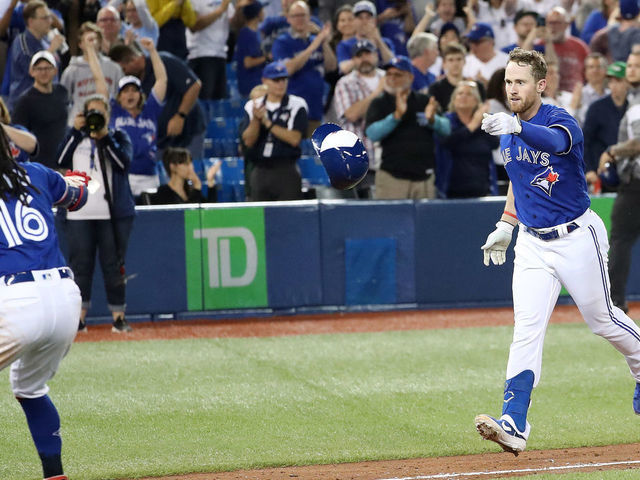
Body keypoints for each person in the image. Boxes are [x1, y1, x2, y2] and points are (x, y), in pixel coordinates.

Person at [475, 48, 640, 456]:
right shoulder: (508, 126)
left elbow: (555, 144)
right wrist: (506, 224)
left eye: (521, 82)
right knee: (526, 331)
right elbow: (520, 177)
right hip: (532, 243)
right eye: (508, 82)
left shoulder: (559, 119)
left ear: (541, 85)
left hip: (576, 237)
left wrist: (515, 126)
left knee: (602, 321)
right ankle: (513, 422)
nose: (512, 88)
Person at [0, 125, 90, 480]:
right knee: (29, 388)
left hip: (14, 300)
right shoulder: (35, 173)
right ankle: (55, 475)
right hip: (65, 299)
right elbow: (78, 197)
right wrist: (78, 182)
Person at [56, 93, 135, 334]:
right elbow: (60, 159)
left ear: (108, 116)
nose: (95, 118)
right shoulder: (75, 138)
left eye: (100, 113)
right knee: (80, 266)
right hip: (78, 213)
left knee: (113, 266)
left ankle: (118, 316)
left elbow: (123, 165)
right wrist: (76, 131)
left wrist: (104, 138)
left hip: (110, 214)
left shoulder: (118, 137)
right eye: (92, 113)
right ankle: (78, 318)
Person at [365, 55, 450, 199]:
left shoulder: (424, 101)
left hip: (424, 177)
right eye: (389, 74)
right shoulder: (379, 103)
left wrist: (433, 120)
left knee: (425, 221)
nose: (392, 78)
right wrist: (396, 116)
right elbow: (372, 133)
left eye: (398, 75)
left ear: (410, 77)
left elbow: (446, 129)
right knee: (391, 221)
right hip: (392, 177)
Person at [109, 42, 206, 161]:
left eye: (124, 68)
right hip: (159, 139)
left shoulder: (164, 62)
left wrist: (180, 116)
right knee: (163, 177)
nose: (124, 73)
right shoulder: (133, 83)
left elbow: (194, 86)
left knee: (189, 174)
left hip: (188, 132)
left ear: (134, 60)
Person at [596, 51, 640, 313]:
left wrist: (611, 151)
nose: (631, 70)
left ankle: (615, 305)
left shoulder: (636, 106)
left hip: (636, 185)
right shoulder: (633, 102)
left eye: (637, 66)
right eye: (631, 65)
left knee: (621, 240)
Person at [104, 38, 166, 199]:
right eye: (125, 91)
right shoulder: (114, 111)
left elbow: (162, 80)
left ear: (140, 95)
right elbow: (100, 83)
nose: (130, 94)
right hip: (123, 175)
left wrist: (152, 51)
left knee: (150, 220)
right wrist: (91, 52)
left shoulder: (150, 110)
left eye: (134, 90)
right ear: (119, 97)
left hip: (149, 177)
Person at [240, 61, 308, 201]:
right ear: (265, 81)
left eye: (283, 79)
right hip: (260, 169)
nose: (281, 84)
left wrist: (267, 123)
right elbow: (248, 141)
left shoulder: (296, 105)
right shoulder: (253, 106)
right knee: (260, 218)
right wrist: (256, 120)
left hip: (286, 169)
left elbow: (294, 139)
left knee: (289, 217)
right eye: (276, 80)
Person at [271, 0, 337, 134]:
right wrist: (313, 47)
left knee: (313, 152)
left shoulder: (317, 40)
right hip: (291, 110)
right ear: (288, 19)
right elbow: (287, 69)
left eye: (303, 15)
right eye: (295, 16)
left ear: (310, 17)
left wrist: (323, 41)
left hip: (315, 109)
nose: (300, 19)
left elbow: (331, 66)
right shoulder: (282, 42)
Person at [332, 39, 385, 196]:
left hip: (390, 160)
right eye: (359, 56)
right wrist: (377, 93)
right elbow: (352, 114)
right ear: (354, 60)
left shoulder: (390, 77)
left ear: (376, 55)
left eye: (368, 54)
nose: (364, 59)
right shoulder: (345, 83)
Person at [436, 81, 497, 198]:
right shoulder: (446, 121)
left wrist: (484, 122)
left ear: (477, 101)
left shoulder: (483, 124)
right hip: (450, 190)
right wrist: (472, 125)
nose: (464, 96)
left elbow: (494, 144)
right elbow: (446, 143)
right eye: (460, 93)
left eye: (469, 94)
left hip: (482, 189)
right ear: (453, 99)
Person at [13, 50, 68, 169]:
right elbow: (18, 136)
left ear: (55, 70)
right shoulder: (25, 101)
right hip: (41, 167)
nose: (43, 72)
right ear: (31, 72)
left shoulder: (62, 92)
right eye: (39, 68)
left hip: (65, 163)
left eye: (48, 68)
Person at [61, 22, 123, 126]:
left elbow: (120, 95)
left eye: (94, 39)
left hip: (107, 121)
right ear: (80, 44)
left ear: (100, 42)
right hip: (80, 122)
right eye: (88, 40)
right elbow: (64, 100)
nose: (92, 43)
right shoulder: (72, 70)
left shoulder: (114, 68)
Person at [8, 0, 65, 110]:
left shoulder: (46, 41)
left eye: (50, 17)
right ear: (31, 21)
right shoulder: (22, 42)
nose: (50, 22)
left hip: (47, 104)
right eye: (45, 18)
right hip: (25, 106)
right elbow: (32, 70)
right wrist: (51, 50)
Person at [584, 61, 628, 193]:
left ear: (627, 82)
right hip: (602, 172)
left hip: (628, 172)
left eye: (618, 81)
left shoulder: (633, 106)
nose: (614, 86)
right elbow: (585, 141)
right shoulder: (597, 108)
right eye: (611, 81)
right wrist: (589, 169)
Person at [186, 0, 235, 100]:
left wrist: (239, 7)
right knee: (204, 100)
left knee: (219, 102)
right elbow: (194, 25)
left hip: (221, 54)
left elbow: (234, 25)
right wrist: (220, 10)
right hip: (201, 54)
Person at [336, 0, 394, 75]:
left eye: (368, 17)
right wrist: (363, 56)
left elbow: (392, 63)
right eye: (360, 18)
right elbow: (344, 68)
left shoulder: (386, 42)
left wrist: (378, 41)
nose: (364, 21)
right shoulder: (345, 45)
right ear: (354, 21)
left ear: (374, 20)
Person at [429, 42, 486, 115]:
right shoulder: (435, 88)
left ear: (464, 61)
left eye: (459, 59)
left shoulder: (477, 86)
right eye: (451, 60)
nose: (455, 64)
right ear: (444, 63)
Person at [151, 147, 219, 204]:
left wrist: (211, 182)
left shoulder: (189, 190)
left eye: (191, 163)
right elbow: (187, 215)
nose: (191, 168)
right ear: (173, 167)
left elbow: (209, 212)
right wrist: (197, 188)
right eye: (186, 164)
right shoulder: (164, 193)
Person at [545, 7, 590, 93]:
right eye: (550, 23)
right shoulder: (540, 45)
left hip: (576, 94)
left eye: (557, 23)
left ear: (566, 25)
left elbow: (589, 72)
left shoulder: (580, 46)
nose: (553, 27)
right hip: (550, 95)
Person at [235, 1, 268, 98]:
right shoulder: (246, 33)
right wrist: (267, 57)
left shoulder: (256, 32)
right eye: (262, 10)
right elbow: (248, 63)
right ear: (257, 14)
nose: (264, 12)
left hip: (257, 82)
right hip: (250, 85)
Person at [462, 22, 509, 88]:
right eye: (471, 42)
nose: (473, 46)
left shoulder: (507, 61)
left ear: (491, 42)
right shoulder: (465, 62)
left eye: (477, 42)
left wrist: (489, 86)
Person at [569, 53, 609, 126]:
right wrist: (574, 104)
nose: (595, 70)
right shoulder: (579, 95)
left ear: (605, 71)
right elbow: (570, 122)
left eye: (599, 67)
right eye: (591, 67)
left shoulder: (610, 94)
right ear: (585, 72)